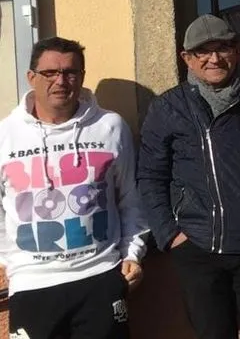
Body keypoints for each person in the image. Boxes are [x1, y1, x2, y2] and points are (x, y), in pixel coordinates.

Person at [138, 14, 240, 338]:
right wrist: (170, 235)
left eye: (223, 48)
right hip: (197, 247)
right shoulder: (168, 107)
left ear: (237, 50)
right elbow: (149, 175)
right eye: (203, 51)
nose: (214, 58)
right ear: (186, 58)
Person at [0, 37, 148, 339]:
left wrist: (132, 254)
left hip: (99, 277)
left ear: (81, 76)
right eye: (50, 73)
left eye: (71, 72)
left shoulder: (110, 127)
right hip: (32, 283)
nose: (61, 81)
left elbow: (131, 199)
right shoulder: (6, 136)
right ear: (31, 78)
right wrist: (11, 261)